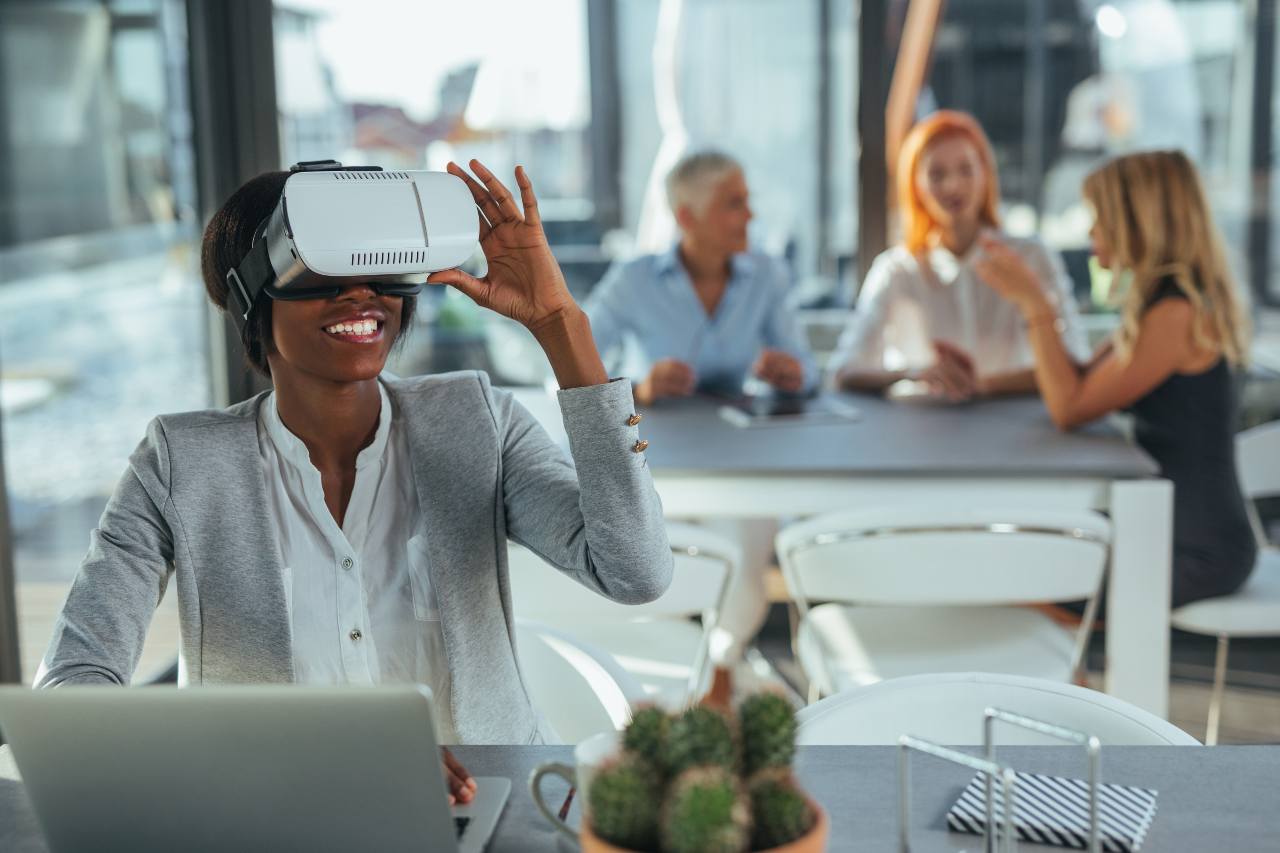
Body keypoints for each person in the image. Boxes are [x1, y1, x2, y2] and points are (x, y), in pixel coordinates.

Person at [33, 160, 673, 799]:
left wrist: (560, 325)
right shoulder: (180, 463)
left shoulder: (479, 423)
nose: (360, 290)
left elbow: (634, 572)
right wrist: (322, 761)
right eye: (321, 260)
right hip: (276, 824)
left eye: (378, 260)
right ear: (255, 289)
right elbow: (71, 686)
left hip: (497, 813)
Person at [974, 149, 1256, 608]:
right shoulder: (1157, 304)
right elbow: (1080, 375)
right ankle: (1070, 677)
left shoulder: (1176, 313)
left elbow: (1070, 406)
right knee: (1028, 560)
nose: (1091, 232)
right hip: (1164, 528)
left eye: (1099, 217)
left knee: (1023, 577)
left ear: (1139, 222)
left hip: (1197, 549)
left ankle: (1066, 678)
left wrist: (1036, 305)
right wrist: (982, 385)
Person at [832, 110, 1088, 400]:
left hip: (1015, 430)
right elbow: (844, 371)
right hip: (924, 431)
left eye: (966, 169)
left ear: (985, 176)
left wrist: (982, 385)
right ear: (915, 185)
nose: (953, 186)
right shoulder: (896, 270)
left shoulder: (1031, 257)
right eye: (937, 174)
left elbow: (1075, 362)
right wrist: (915, 373)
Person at [585, 151, 816, 405]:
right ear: (687, 217)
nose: (751, 216)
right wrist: (638, 391)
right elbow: (573, 369)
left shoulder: (768, 273)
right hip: (654, 433)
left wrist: (793, 377)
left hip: (740, 436)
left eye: (747, 201)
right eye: (734, 204)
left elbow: (808, 373)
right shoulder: (633, 279)